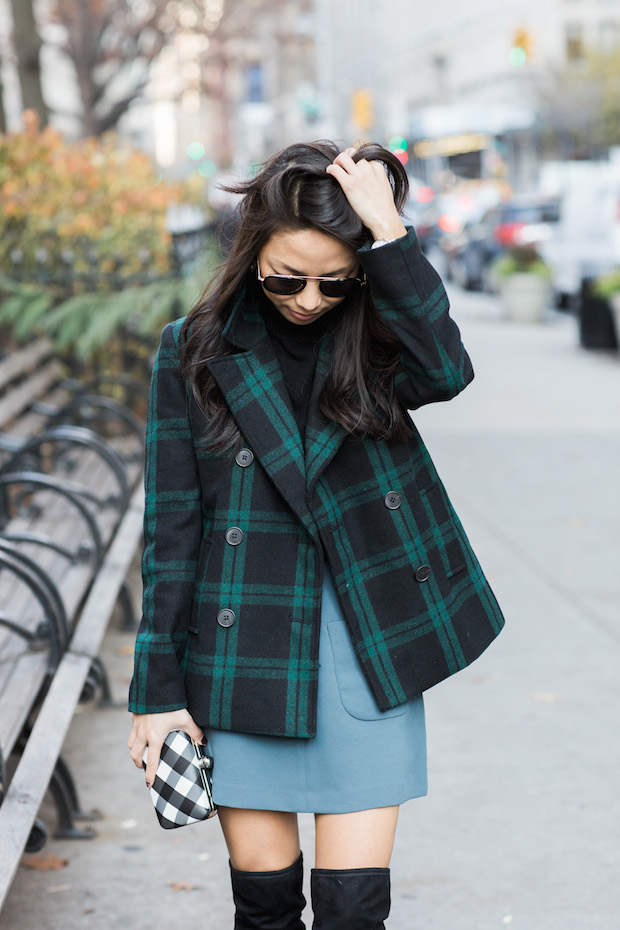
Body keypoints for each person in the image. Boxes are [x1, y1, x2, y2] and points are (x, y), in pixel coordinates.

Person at [128, 141, 505, 929]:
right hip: (242, 651)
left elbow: (447, 369)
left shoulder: (376, 340)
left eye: (336, 279)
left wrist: (390, 235)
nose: (307, 298)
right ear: (249, 253)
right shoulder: (192, 352)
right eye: (285, 277)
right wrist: (158, 695)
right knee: (265, 908)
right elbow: (170, 530)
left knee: (353, 909)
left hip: (363, 643)